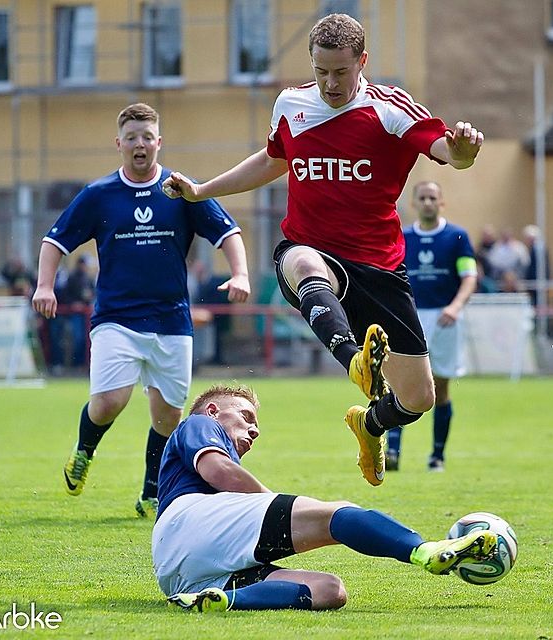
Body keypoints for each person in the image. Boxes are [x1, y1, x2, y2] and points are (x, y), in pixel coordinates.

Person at [162, 13, 485, 487]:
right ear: (311, 64)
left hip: (379, 266)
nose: (330, 83)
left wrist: (464, 151)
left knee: (418, 398)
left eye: (341, 71)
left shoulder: (390, 109)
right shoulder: (291, 105)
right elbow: (275, 159)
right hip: (309, 248)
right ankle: (354, 359)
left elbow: (445, 150)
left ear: (363, 62)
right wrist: (202, 190)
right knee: (304, 261)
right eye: (321, 71)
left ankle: (369, 423)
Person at [32, 103, 251, 517]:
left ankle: (151, 491)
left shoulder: (180, 189)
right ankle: (84, 451)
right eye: (132, 138)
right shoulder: (99, 195)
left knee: (168, 416)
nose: (140, 145)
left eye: (147, 137)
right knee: (109, 402)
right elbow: (54, 240)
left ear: (159, 142)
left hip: (171, 320)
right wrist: (45, 285)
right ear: (119, 143)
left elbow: (228, 231)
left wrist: (239, 274)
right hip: (117, 318)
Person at [153, 384, 498, 612]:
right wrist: (275, 505)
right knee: (335, 514)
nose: (254, 430)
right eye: (246, 417)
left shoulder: (205, 448)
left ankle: (218, 600)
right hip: (191, 522)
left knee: (328, 591)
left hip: (182, 574)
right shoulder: (198, 424)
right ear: (213, 411)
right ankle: (426, 551)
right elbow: (220, 472)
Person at [387, 181, 477, 472]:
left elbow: (469, 277)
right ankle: (393, 452)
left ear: (442, 203)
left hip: (444, 318)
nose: (427, 202)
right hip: (408, 316)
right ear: (414, 203)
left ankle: (437, 456)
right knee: (399, 384)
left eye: (432, 198)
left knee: (440, 386)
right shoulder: (402, 236)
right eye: (422, 198)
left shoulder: (456, 237)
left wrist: (455, 306)